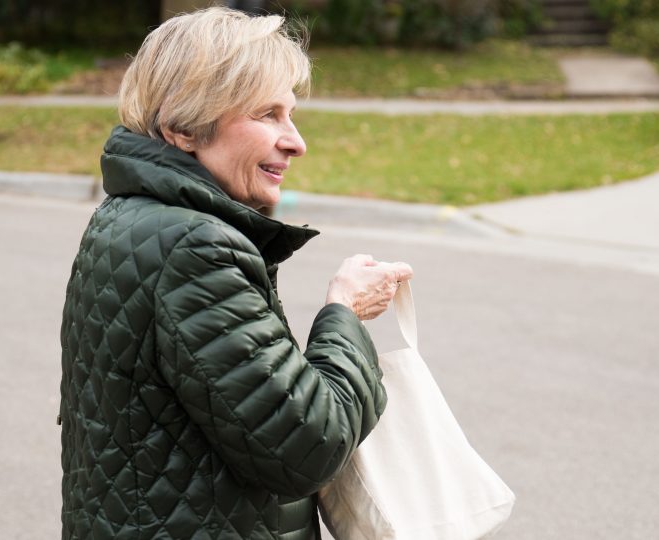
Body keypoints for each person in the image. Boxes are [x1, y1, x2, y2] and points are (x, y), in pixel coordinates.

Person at [59, 7, 412, 539]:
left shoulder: (128, 217)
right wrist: (344, 314)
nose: (296, 141)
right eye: (267, 114)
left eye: (290, 114)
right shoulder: (194, 247)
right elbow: (309, 446)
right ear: (183, 127)